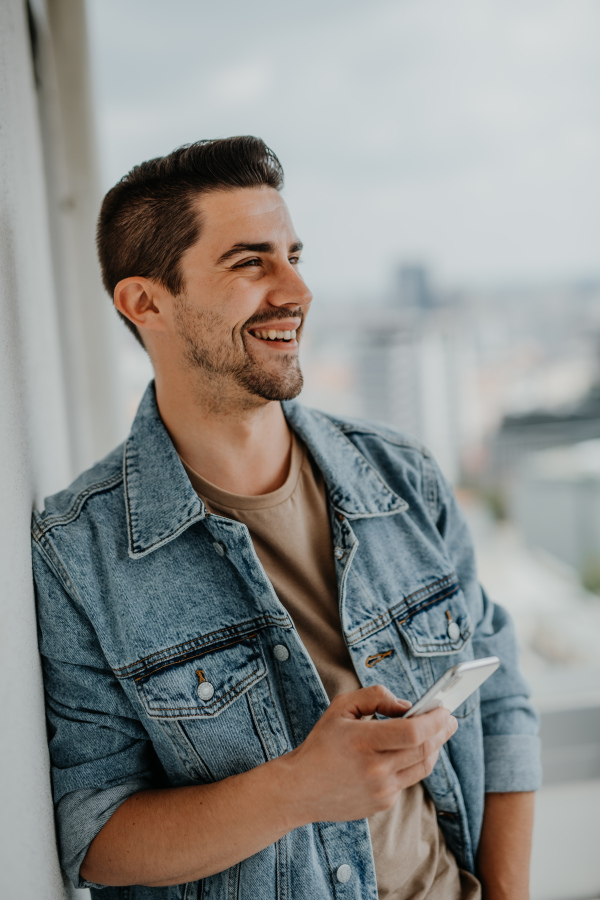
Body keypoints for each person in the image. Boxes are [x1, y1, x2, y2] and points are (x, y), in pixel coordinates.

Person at [32, 136, 541, 900]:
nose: (295, 291)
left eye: (293, 256)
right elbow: (95, 834)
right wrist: (298, 789)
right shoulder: (78, 554)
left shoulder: (404, 476)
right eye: (250, 263)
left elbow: (500, 702)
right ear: (146, 302)